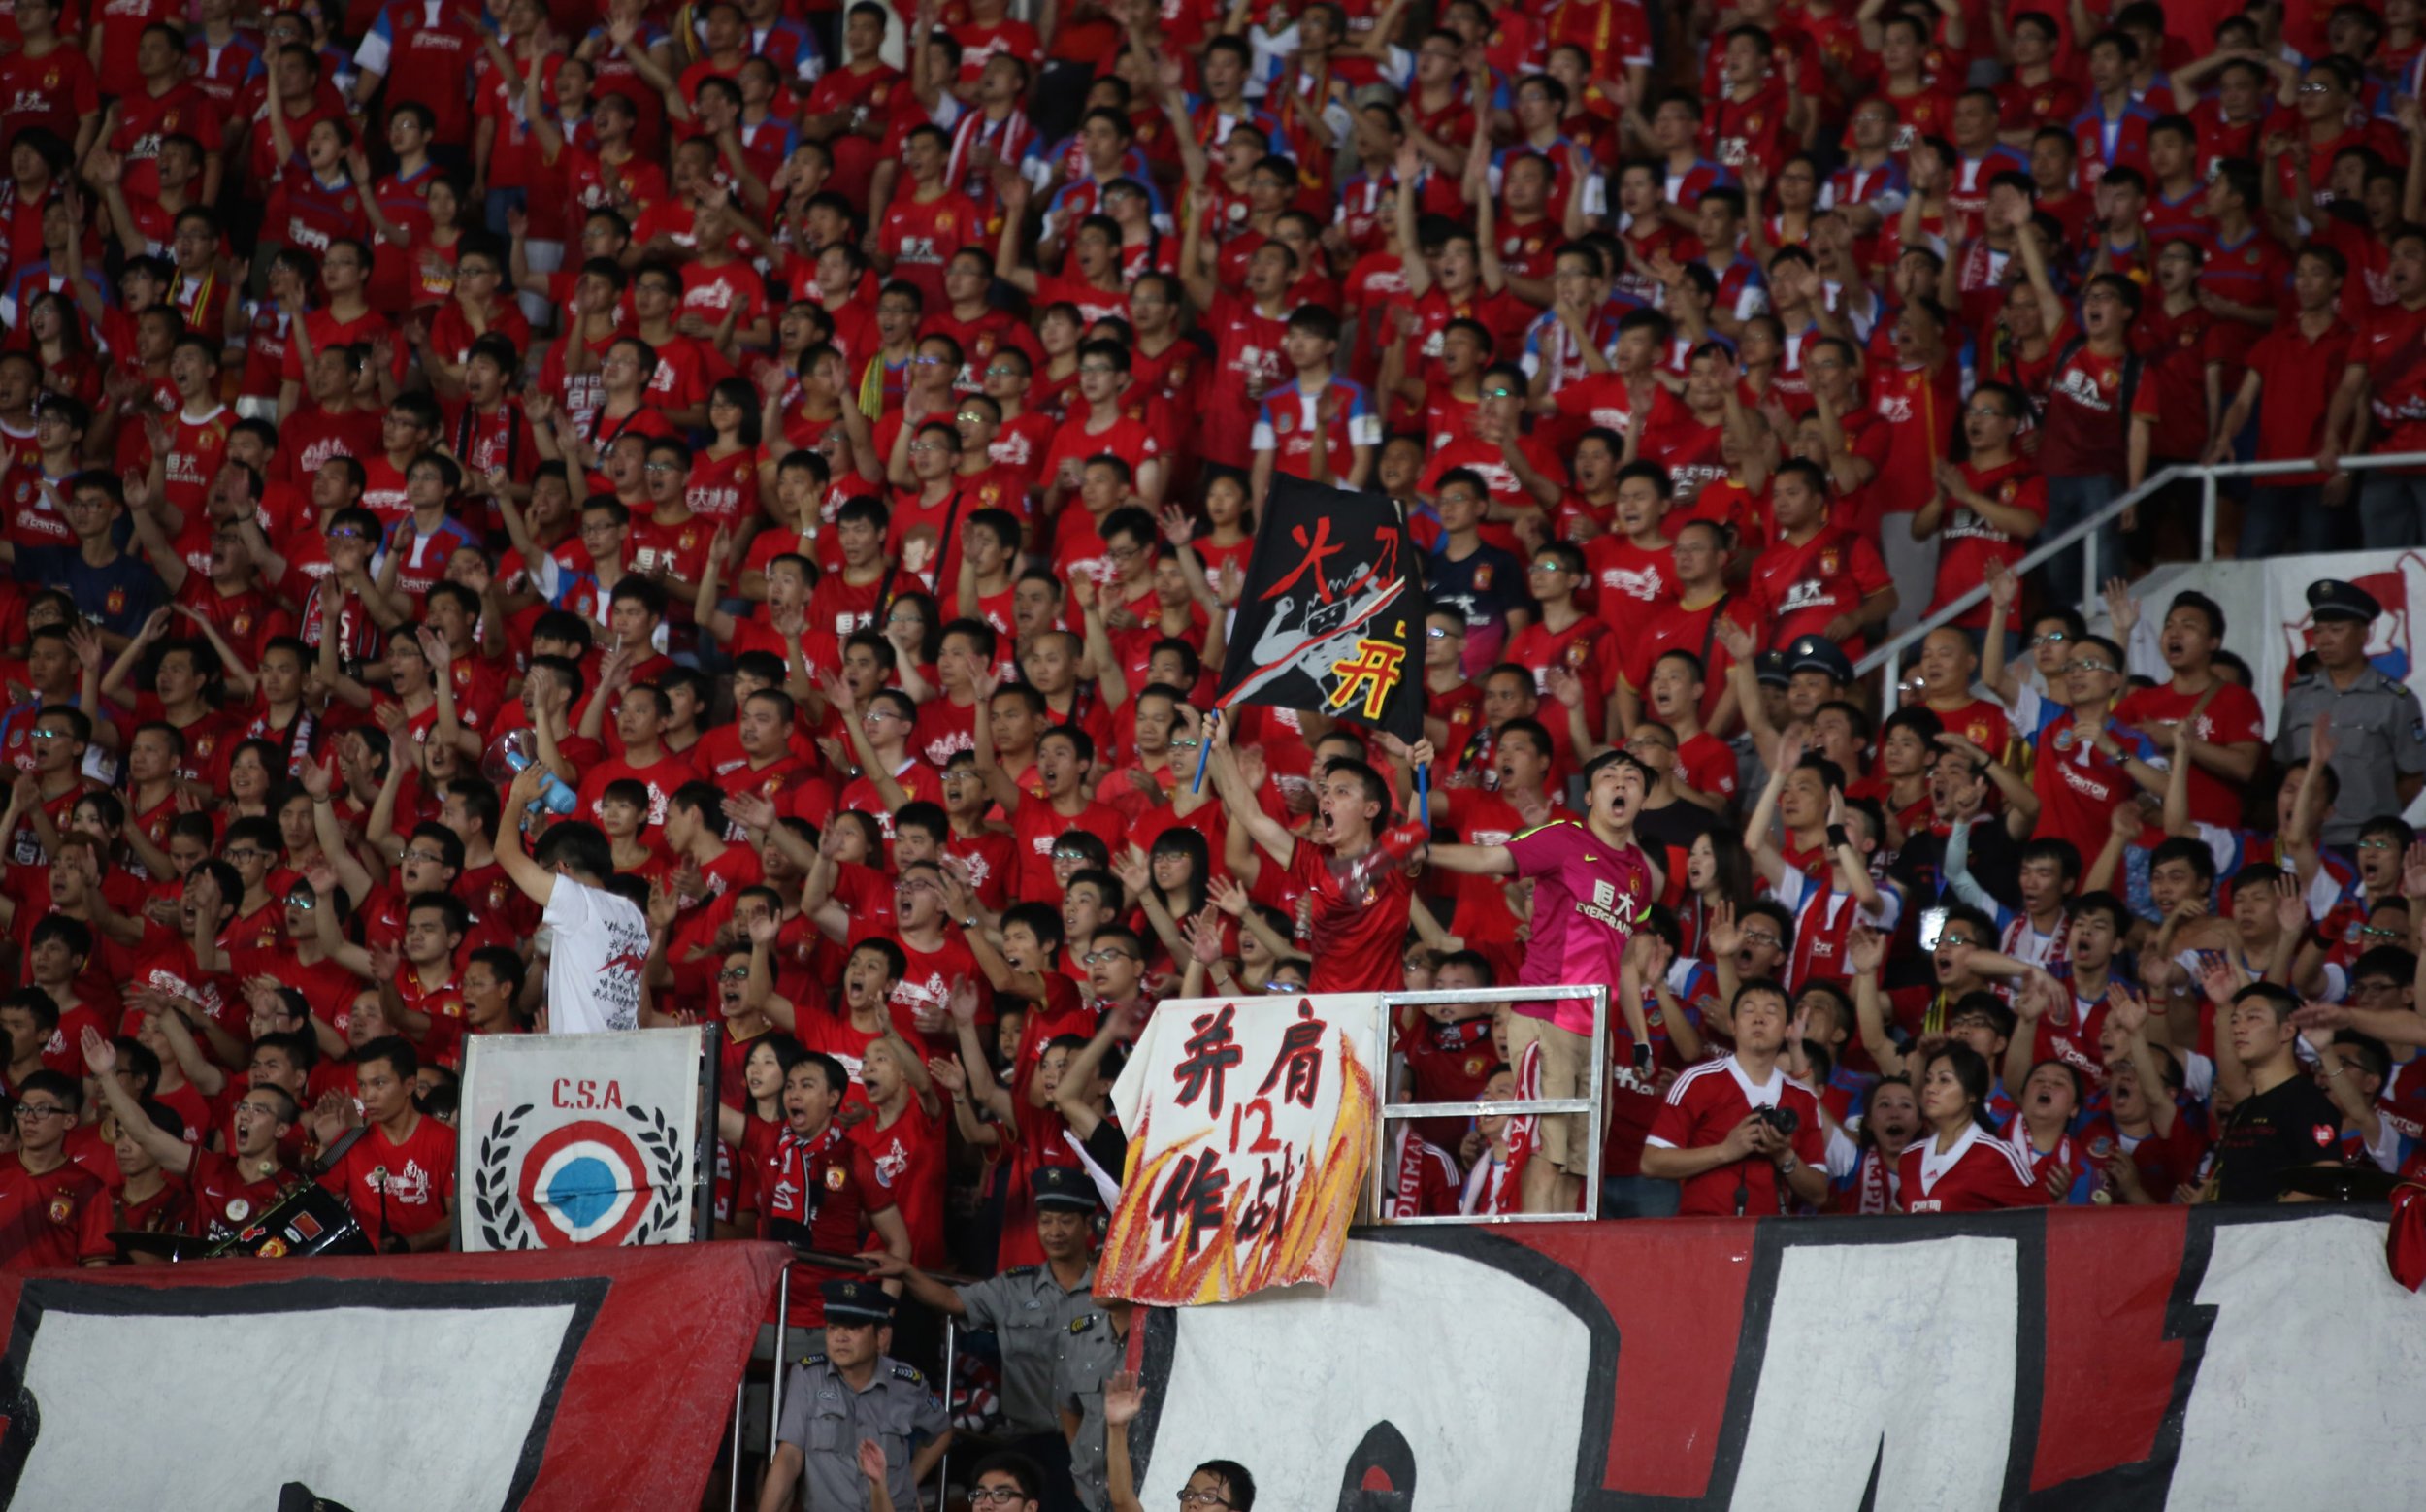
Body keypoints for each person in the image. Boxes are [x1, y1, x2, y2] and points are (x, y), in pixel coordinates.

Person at [1420, 746, 1662, 1212]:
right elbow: (1492, 860)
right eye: (1609, 777)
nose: (1620, 784)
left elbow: (1628, 960)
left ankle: (1565, 1248)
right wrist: (1427, 851)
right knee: (1544, 1154)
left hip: (1598, 1034)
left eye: (1632, 779)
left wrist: (1642, 1038)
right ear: (1589, 794)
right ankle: (1536, 1252)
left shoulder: (1639, 874)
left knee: (1581, 1163)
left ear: (1643, 799)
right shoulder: (1564, 838)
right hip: (1546, 1017)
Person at [867, 1165, 1097, 1502]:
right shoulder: (1014, 1286)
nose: (1054, 1231)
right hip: (1025, 1443)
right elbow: (952, 1300)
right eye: (1046, 1220)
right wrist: (908, 1273)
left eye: (1065, 1220)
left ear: (1087, 1226)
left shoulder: (1110, 1293)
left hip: (1092, 1443)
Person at [762, 1278, 953, 1512]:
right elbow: (789, 1457)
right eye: (833, 1327)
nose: (840, 1337)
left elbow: (942, 1430)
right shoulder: (808, 1376)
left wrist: (910, 1481)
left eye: (853, 1328)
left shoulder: (906, 1383)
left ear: (881, 1336)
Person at [1640, 978, 1827, 1215]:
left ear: (1789, 1029)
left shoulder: (1804, 1099)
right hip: (1703, 1234)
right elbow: (1651, 1162)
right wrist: (1725, 1151)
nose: (1759, 1018)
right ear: (1733, 1026)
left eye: (1771, 1011)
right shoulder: (1697, 1081)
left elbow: (1819, 1193)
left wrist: (1783, 1155)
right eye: (1748, 1010)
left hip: (1770, 1238)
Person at [495, 763, 652, 1033]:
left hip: (580, 1064)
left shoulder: (575, 900)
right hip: (622, 1059)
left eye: (544, 872)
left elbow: (505, 852)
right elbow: (643, 1013)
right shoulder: (632, 915)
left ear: (561, 870)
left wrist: (517, 796)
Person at [2273, 578, 2426, 848]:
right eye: (2318, 631)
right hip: (2302, 839)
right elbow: (2284, 763)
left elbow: (2414, 775)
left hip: (2363, 844)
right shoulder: (2299, 695)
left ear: (2364, 634)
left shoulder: (2395, 699)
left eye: (2336, 630)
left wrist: (2378, 820)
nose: (2324, 640)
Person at [2207, 983, 2344, 1203]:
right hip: (2230, 1233)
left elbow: (2328, 1172)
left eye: (2253, 1018)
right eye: (2234, 1020)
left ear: (2287, 1030)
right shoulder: (2242, 1108)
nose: (2238, 1029)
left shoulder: (2306, 1100)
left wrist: (2266, 1223)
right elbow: (2217, 1183)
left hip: (2273, 1234)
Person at [1896, 1045, 2051, 1212]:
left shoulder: (1995, 1155)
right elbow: (1894, 1221)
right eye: (1928, 1080)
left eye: (1944, 1080)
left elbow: (2047, 1218)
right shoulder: (1909, 1157)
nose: (1930, 1089)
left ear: (1972, 1094)